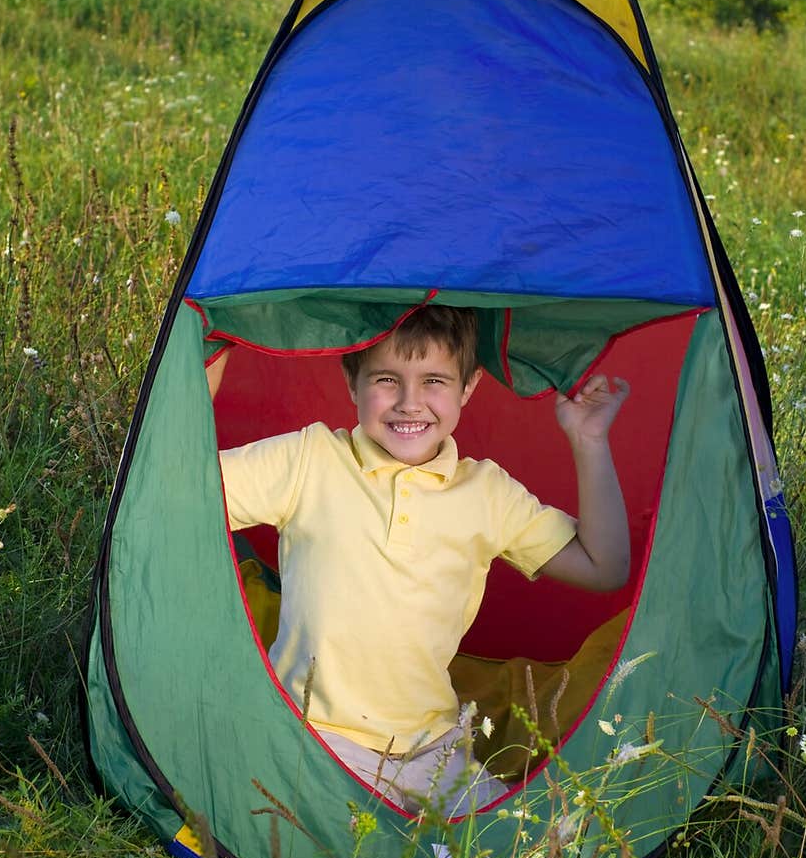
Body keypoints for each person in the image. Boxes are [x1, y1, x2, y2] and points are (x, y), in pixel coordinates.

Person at [206, 305, 630, 817]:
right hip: (314, 737)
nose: (410, 403)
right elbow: (186, 484)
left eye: (434, 381)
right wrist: (211, 351)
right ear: (352, 381)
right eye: (387, 379)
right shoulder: (310, 460)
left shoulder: (486, 493)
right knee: (334, 852)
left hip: (432, 750)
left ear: (468, 388)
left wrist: (590, 441)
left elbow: (604, 567)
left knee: (521, 856)